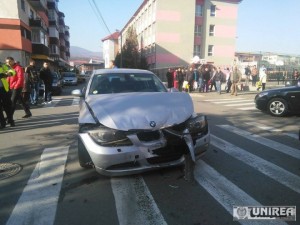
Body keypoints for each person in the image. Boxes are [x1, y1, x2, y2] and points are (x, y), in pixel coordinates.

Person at [0, 62, 15, 128]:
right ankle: (2, 123)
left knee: (7, 106)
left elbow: (12, 71)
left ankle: (10, 120)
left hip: (4, 89)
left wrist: (9, 73)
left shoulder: (2, 65)